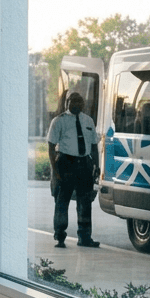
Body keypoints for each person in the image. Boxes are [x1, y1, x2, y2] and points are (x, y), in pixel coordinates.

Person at [46, 91, 101, 248]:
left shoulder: (88, 120)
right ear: (67, 103)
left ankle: (84, 237)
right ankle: (60, 237)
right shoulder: (59, 121)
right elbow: (50, 147)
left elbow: (94, 146)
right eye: (72, 101)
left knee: (85, 202)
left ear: (83, 104)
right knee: (62, 202)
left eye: (79, 101)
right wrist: (54, 170)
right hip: (66, 163)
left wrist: (96, 165)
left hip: (84, 164)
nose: (76, 104)